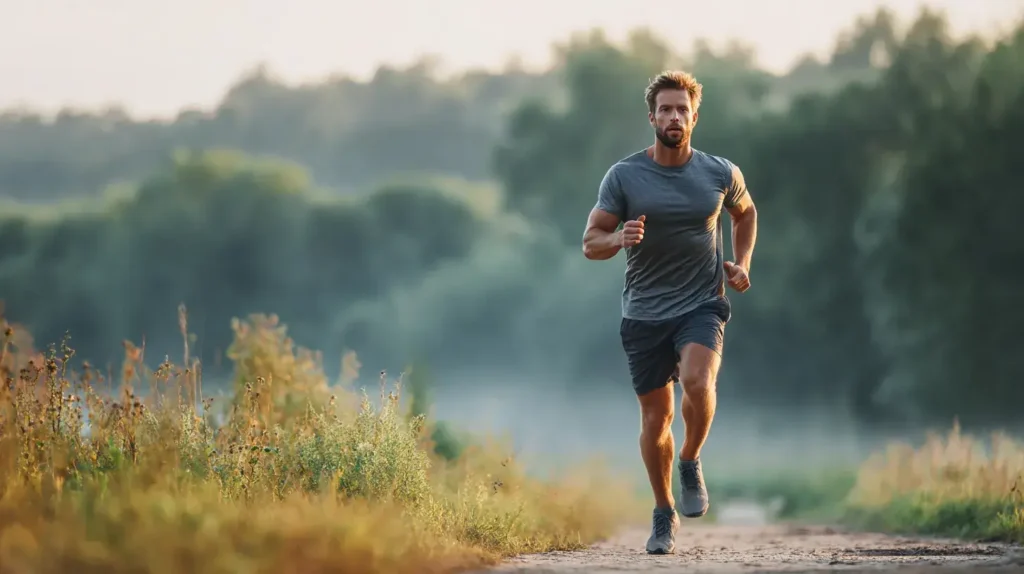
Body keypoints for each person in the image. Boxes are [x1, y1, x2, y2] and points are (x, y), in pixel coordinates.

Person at [581, 70, 758, 555]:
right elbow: (590, 241)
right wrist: (618, 238)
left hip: (702, 303)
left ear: (695, 116)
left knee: (700, 382)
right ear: (652, 117)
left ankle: (691, 459)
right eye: (666, 109)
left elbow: (746, 214)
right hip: (643, 312)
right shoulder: (624, 176)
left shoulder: (720, 172)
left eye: (683, 109)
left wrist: (741, 265)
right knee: (655, 418)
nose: (674, 116)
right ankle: (664, 512)